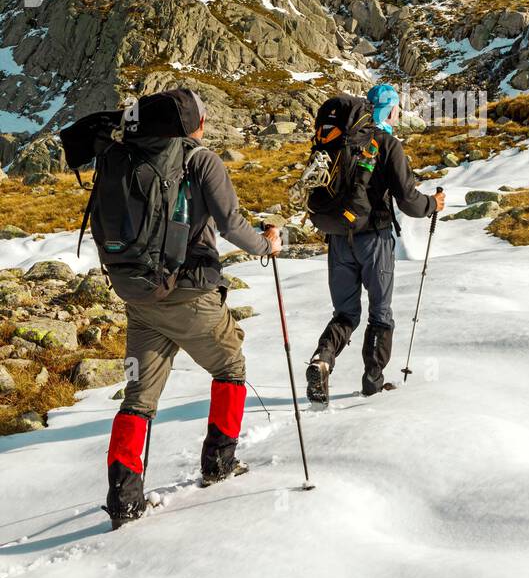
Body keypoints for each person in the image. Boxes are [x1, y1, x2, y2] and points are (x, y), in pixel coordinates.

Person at [104, 89, 281, 527]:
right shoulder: (200, 160)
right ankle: (218, 463)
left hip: (139, 297)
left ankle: (124, 499)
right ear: (191, 125)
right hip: (190, 294)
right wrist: (268, 245)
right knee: (230, 367)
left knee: (138, 397)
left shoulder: (122, 158)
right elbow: (231, 224)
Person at [306, 83, 445, 406]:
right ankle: (373, 382)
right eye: (396, 108)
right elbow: (409, 201)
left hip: (339, 239)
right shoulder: (387, 144)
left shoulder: (340, 141)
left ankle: (321, 360)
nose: (397, 115)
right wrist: (433, 204)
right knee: (380, 311)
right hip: (375, 239)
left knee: (345, 312)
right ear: (390, 110)